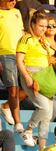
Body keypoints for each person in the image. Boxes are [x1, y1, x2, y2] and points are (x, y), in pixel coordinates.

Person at [16, 10, 53, 149]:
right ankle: (29, 130)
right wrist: (27, 77)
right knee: (43, 107)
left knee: (48, 113)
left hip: (45, 77)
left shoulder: (43, 41)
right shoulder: (26, 38)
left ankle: (42, 147)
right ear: (33, 24)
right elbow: (19, 61)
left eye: (45, 26)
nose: (43, 29)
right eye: (41, 26)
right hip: (31, 74)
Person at [0, 0, 24, 131]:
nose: (13, 2)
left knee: (27, 87)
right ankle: (18, 123)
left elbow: (21, 33)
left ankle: (6, 106)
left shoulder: (17, 12)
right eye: (10, 0)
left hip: (20, 54)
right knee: (13, 88)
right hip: (4, 54)